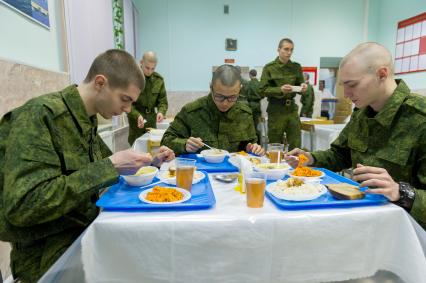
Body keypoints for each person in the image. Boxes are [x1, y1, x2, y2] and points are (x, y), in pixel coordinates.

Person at [0, 49, 175, 282]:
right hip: (48, 258)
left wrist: (150, 161)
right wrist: (110, 166)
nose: (128, 110)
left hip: (83, 239)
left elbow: (108, 168)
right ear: (100, 83)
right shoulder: (41, 116)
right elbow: (23, 206)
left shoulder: (86, 119)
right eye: (125, 99)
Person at [285, 42, 426, 228]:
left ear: (381, 74)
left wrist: (401, 192)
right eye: (344, 85)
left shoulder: (419, 119)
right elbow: (340, 154)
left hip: (406, 232)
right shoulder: (362, 112)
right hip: (362, 217)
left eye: (353, 85)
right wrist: (309, 158)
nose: (346, 93)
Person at [161, 64, 265, 156]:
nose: (225, 103)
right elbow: (166, 140)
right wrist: (184, 145)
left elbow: (249, 144)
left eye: (232, 97)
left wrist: (252, 148)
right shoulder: (192, 112)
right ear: (211, 88)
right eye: (219, 96)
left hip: (233, 174)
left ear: (239, 90)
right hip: (199, 173)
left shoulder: (244, 114)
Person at [259, 38, 307, 150]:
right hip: (276, 110)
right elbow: (262, 90)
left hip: (291, 110)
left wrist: (303, 87)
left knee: (296, 142)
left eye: (291, 50)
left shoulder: (296, 67)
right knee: (275, 145)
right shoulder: (269, 68)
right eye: (286, 49)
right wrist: (280, 89)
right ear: (278, 49)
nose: (289, 52)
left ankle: (296, 167)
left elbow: (300, 83)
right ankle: (276, 166)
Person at [127, 51, 168, 145]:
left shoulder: (159, 80)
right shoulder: (132, 79)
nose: (149, 71)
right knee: (136, 149)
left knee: (152, 148)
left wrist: (161, 112)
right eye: (147, 68)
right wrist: (137, 115)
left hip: (151, 121)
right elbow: (128, 103)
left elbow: (163, 101)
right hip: (136, 122)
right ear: (141, 62)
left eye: (152, 68)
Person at [246, 69, 263, 141]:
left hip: (251, 105)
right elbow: (262, 94)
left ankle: (252, 140)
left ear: (250, 75)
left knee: (250, 123)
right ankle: (259, 140)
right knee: (257, 124)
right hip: (258, 105)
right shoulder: (260, 84)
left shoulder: (249, 83)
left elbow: (246, 94)